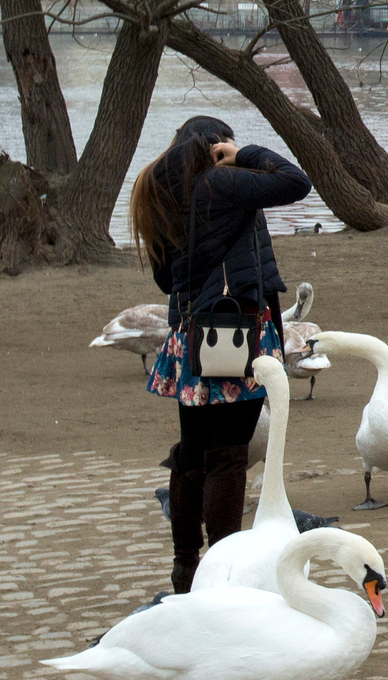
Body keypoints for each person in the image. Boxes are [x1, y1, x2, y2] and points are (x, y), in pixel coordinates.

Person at [127, 116, 311, 593]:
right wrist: (243, 153)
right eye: (224, 140)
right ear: (213, 144)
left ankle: (186, 567)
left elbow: (166, 281)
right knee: (228, 458)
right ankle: (225, 569)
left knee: (193, 454)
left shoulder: (158, 190)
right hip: (236, 335)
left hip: (190, 337)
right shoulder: (222, 181)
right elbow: (295, 181)